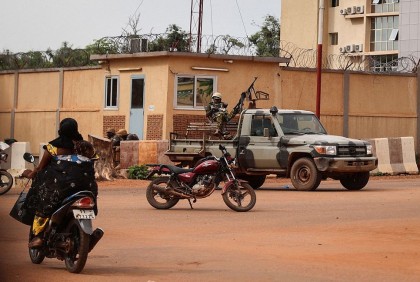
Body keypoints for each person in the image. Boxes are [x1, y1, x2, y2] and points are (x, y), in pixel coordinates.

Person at [22, 118, 98, 248]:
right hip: (86, 186)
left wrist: (28, 173)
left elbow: (40, 168)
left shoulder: (53, 147)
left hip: (61, 188)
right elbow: (92, 161)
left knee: (43, 203)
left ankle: (39, 236)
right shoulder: (86, 147)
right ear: (76, 129)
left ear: (61, 129)